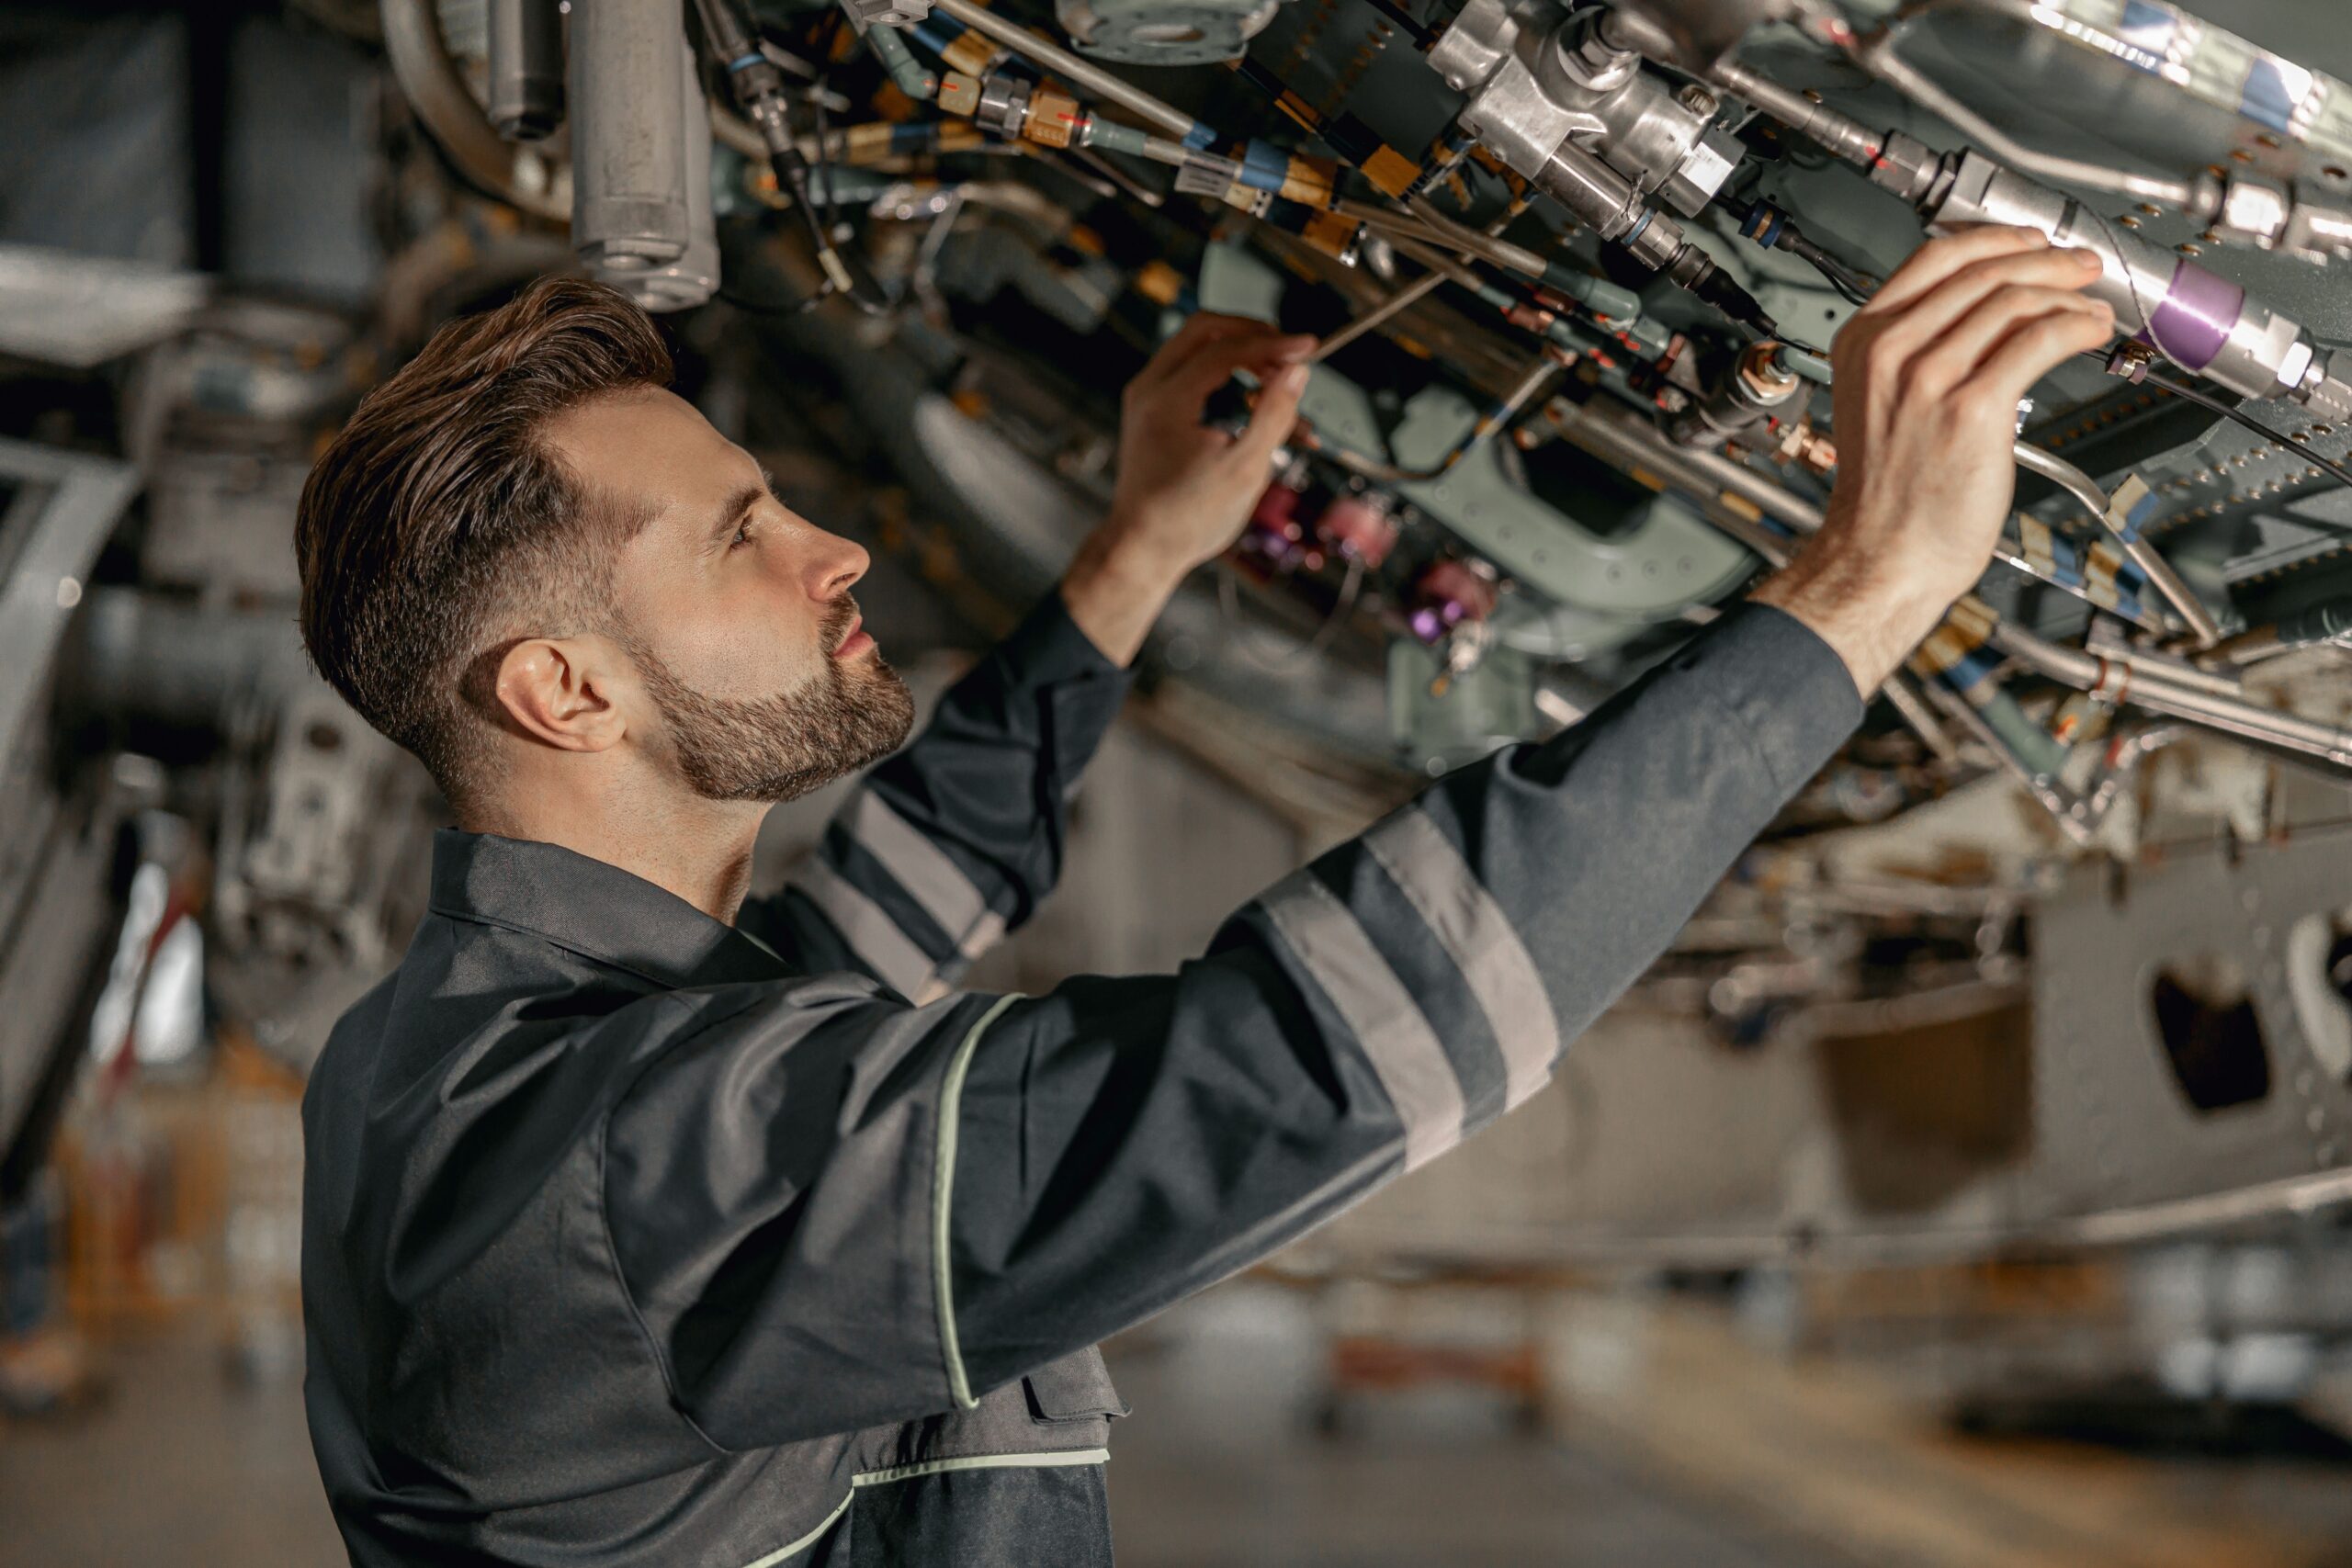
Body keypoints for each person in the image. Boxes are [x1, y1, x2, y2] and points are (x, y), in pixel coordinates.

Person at [293, 226, 2113, 1565]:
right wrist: (1865, 585)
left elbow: (893, 898)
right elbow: (1288, 1069)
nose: (828, 545)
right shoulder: (609, 1180)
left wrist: (1141, 545)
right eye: (740, 533)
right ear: (566, 692)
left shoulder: (505, 1043)